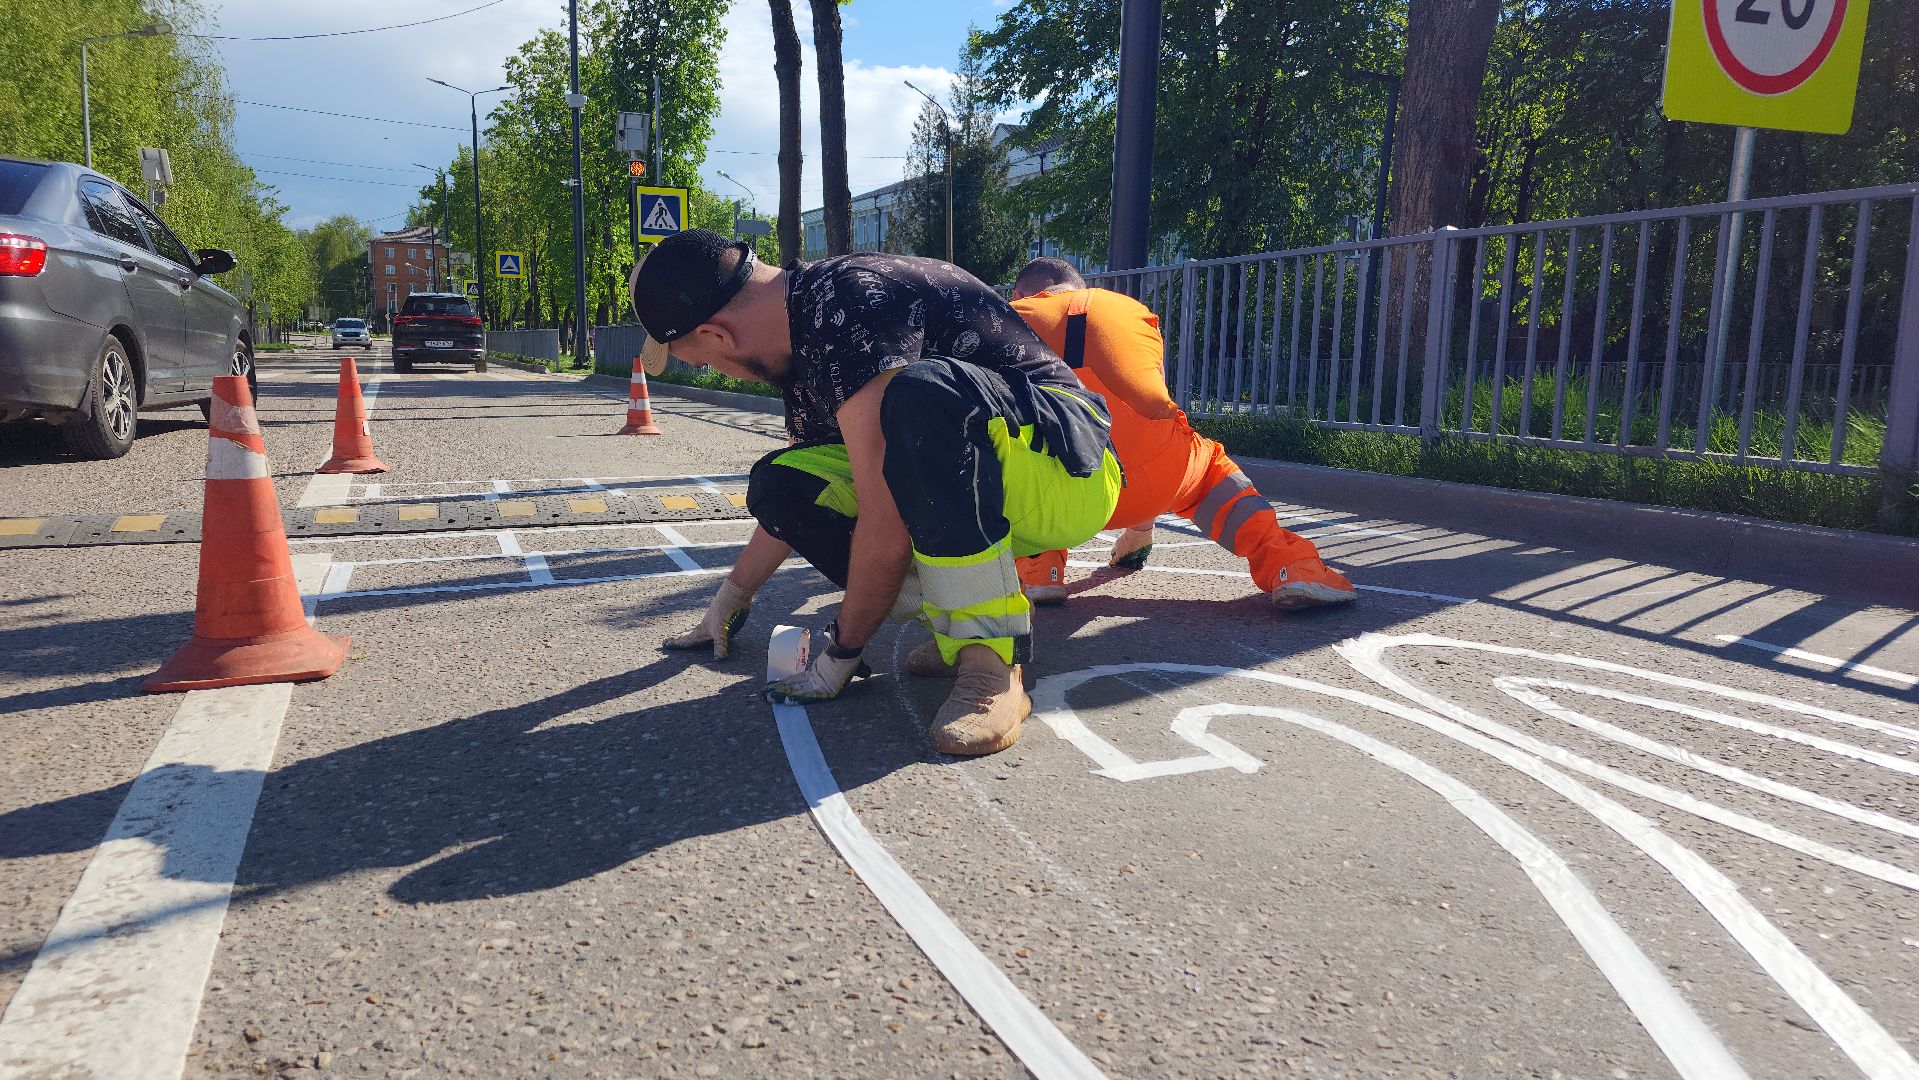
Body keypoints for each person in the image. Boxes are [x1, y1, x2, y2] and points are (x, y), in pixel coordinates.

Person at [632, 232, 1121, 757]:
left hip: (1067, 471)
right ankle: (957, 626)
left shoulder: (849, 302)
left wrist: (842, 650)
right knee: (783, 483)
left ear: (717, 333)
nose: (715, 370)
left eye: (702, 360)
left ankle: (990, 664)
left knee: (920, 398)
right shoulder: (802, 332)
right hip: (999, 473)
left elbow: (885, 519)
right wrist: (732, 596)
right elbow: (823, 494)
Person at [1003, 257, 1355, 612]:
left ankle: (1039, 568)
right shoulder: (1126, 309)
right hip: (1153, 480)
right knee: (1204, 468)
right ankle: (1292, 567)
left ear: (1019, 294)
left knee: (1034, 457)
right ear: (1080, 288)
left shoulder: (1003, 317)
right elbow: (1137, 416)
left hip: (1062, 490)